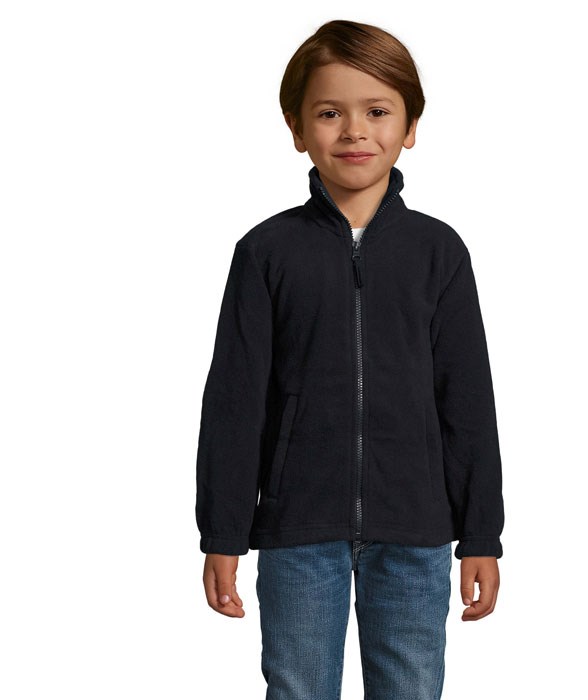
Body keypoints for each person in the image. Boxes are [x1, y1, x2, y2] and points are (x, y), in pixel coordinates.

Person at [195, 18, 505, 699]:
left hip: (416, 530)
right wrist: (223, 531)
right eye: (330, 113)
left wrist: (481, 532)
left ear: (411, 126)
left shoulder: (439, 253)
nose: (355, 131)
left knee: (411, 688)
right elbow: (235, 403)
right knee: (298, 689)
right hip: (297, 529)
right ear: (296, 127)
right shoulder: (266, 253)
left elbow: (467, 402)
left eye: (378, 112)